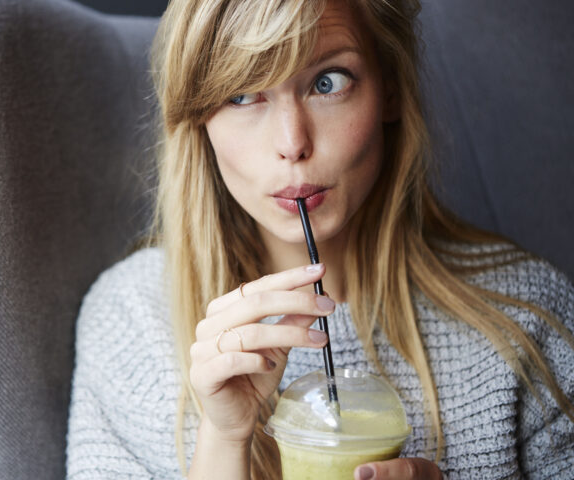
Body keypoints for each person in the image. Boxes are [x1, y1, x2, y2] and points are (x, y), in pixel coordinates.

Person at [66, 0, 574, 478]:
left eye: (328, 82)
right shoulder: (132, 321)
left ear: (390, 88)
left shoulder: (527, 318)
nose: (292, 143)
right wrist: (223, 440)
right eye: (242, 94)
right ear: (201, 116)